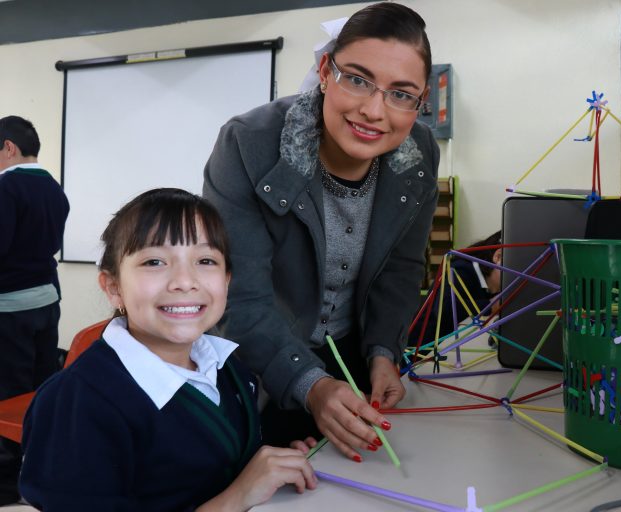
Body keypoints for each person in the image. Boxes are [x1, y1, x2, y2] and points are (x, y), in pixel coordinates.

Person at [203, 2, 439, 461]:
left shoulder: (420, 155)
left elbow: (401, 269)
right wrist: (310, 386)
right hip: (254, 366)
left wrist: (384, 352)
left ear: (420, 100)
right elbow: (240, 298)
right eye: (357, 79)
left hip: (352, 366)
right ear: (325, 70)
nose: (374, 111)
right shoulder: (247, 145)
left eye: (401, 94)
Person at [19, 188, 317, 511]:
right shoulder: (76, 405)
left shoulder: (228, 367)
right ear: (114, 288)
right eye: (155, 261)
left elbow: (217, 467)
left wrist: (274, 466)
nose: (185, 281)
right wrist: (239, 495)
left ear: (227, 281)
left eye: (205, 260)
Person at [0, 115, 69, 505]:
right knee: (41, 387)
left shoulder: (7, 187)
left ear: (9, 147)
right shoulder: (53, 188)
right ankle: (39, 464)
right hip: (47, 302)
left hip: (9, 308)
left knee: (7, 391)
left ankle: (9, 479)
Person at [409, 232, 503, 347]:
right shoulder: (461, 269)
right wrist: (490, 306)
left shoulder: (492, 289)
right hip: (418, 350)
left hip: (449, 351)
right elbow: (444, 309)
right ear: (498, 256)